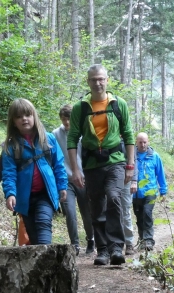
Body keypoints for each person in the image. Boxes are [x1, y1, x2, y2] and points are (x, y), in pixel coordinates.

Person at [67, 64, 135, 266]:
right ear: (88, 82)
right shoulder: (80, 107)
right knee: (96, 204)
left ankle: (116, 247)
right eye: (93, 79)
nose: (98, 83)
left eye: (101, 79)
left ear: (107, 80)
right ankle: (102, 250)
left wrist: (130, 165)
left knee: (113, 197)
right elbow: (72, 139)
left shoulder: (118, 104)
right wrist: (75, 170)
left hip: (115, 161)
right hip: (91, 164)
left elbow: (129, 134)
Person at [2, 98, 68, 245]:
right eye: (19, 116)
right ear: (13, 121)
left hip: (46, 194)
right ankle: (43, 263)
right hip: (24, 198)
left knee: (44, 223)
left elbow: (59, 164)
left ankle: (47, 259)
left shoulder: (48, 139)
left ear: (34, 116)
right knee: (33, 236)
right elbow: (9, 173)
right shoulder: (10, 147)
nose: (24, 119)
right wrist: (10, 193)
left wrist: (62, 186)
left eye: (27, 115)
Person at [53, 104, 95, 256]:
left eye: (69, 119)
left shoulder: (83, 133)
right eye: (64, 119)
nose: (67, 123)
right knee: (70, 212)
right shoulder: (55, 134)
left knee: (86, 212)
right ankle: (75, 244)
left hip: (83, 178)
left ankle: (91, 239)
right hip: (66, 180)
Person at [0, 144, 30, 246]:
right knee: (25, 221)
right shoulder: (11, 146)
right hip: (21, 192)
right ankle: (26, 249)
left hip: (40, 194)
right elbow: (1, 169)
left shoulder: (40, 141)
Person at [132, 132, 168, 252]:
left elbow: (160, 174)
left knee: (147, 213)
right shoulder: (132, 156)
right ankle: (142, 239)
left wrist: (163, 191)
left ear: (148, 142)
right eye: (140, 142)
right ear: (136, 142)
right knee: (139, 217)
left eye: (144, 142)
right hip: (135, 193)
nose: (142, 144)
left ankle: (148, 240)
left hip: (150, 191)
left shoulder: (155, 156)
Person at [120, 139, 138, 255]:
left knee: (125, 211)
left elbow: (133, 161)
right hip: (110, 180)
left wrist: (134, 181)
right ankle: (115, 242)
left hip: (126, 180)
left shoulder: (128, 142)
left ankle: (129, 243)